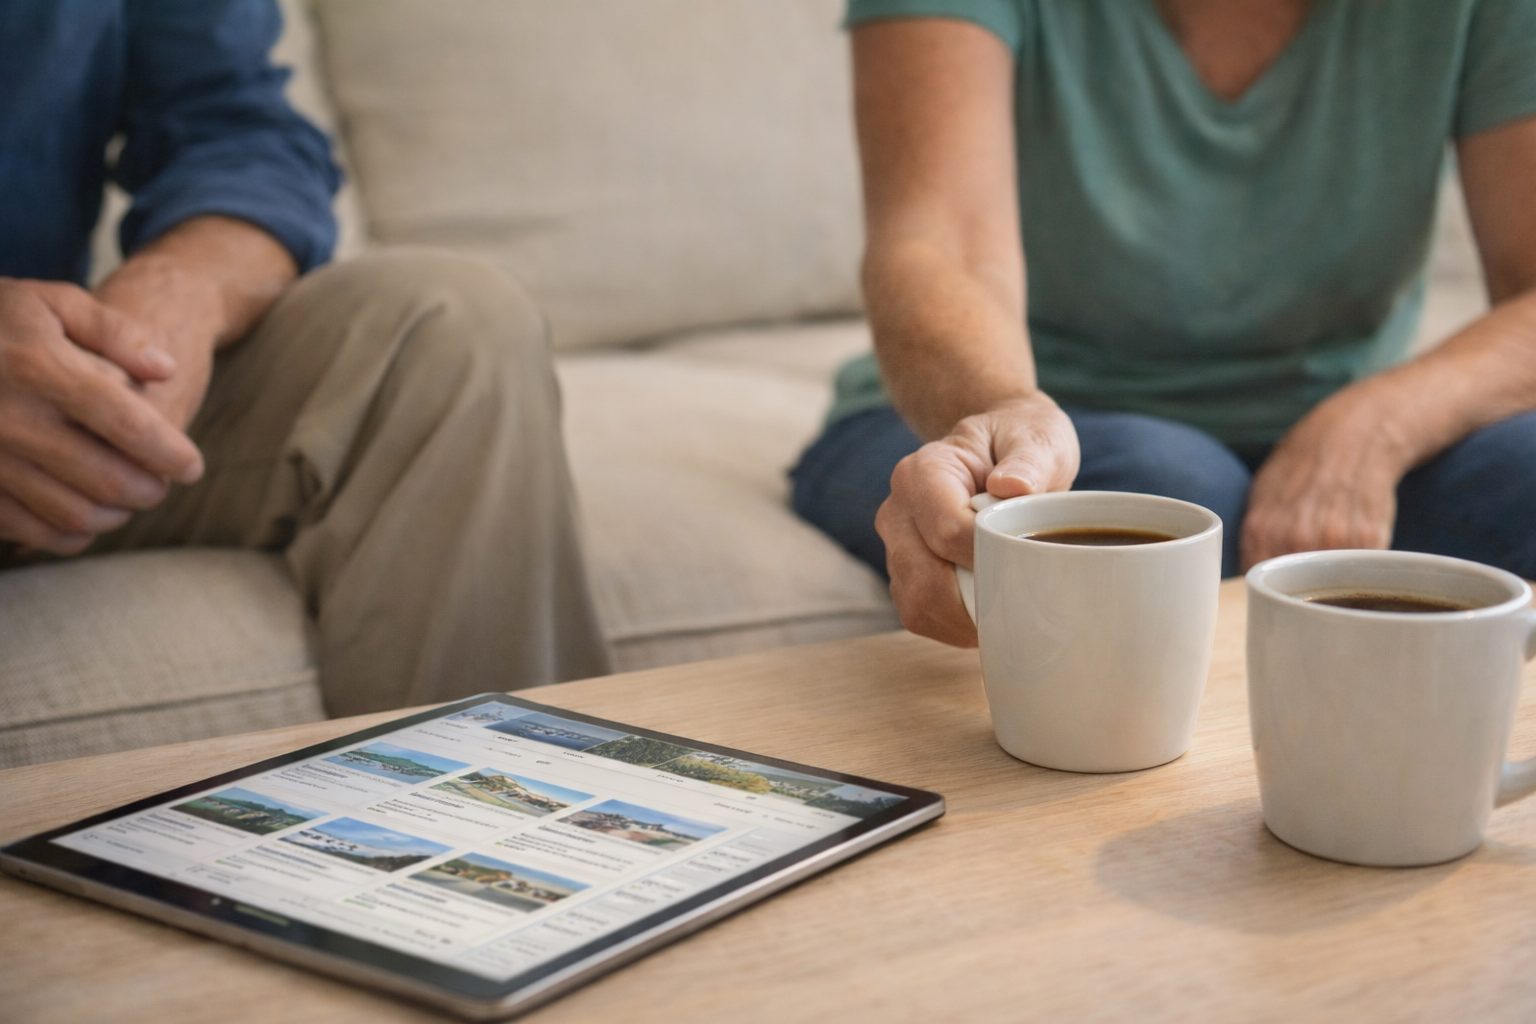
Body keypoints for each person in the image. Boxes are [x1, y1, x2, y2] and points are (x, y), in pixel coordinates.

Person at [791, 0, 1536, 646]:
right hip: (995, 408)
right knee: (1165, 502)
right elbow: (938, 241)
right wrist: (1001, 412)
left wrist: (1375, 427)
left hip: (1333, 430)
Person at [0, 0, 610, 713]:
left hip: (45, 427)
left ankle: (487, 813)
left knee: (446, 326)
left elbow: (235, 124)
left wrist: (181, 289)